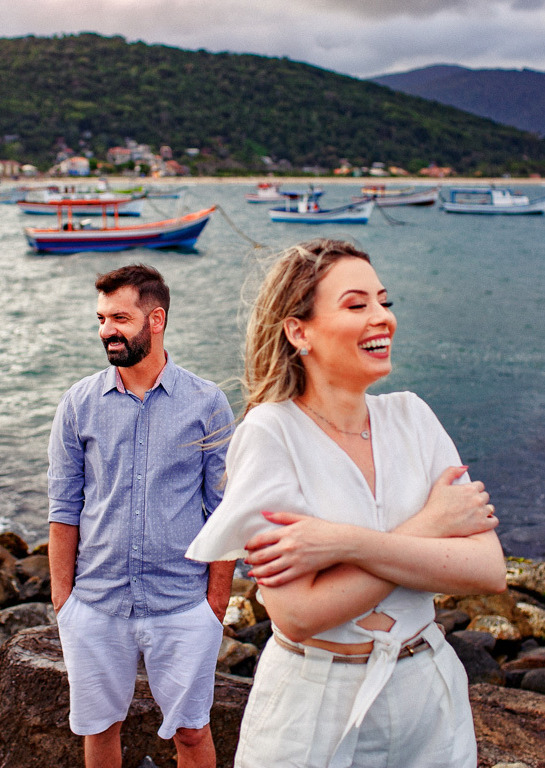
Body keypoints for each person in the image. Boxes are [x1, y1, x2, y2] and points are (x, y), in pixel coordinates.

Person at [186, 239, 507, 767]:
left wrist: (342, 543)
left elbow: (487, 569)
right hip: (311, 707)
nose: (382, 318)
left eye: (385, 302)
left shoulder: (414, 418)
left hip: (428, 694)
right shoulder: (271, 433)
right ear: (299, 331)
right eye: (357, 305)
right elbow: (296, 614)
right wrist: (430, 527)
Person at [48, 264, 236, 768]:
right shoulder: (78, 404)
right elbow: (64, 507)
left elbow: (224, 510)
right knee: (100, 730)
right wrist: (63, 600)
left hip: (181, 604)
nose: (107, 329)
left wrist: (215, 602)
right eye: (101, 318)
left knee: (193, 734)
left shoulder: (208, 403)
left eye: (120, 317)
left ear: (156, 320)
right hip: (95, 603)